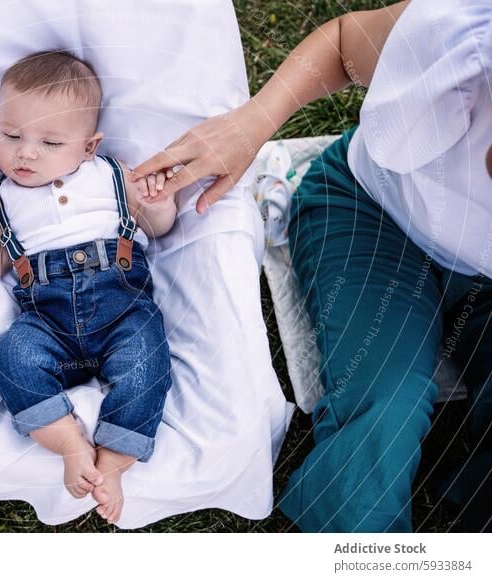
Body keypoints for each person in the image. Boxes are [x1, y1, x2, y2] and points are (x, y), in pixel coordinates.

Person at [132, 0, 492, 532]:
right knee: (387, 403)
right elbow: (348, 44)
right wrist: (252, 122)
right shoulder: (461, 31)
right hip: (377, 211)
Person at [0, 51, 176, 524]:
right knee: (13, 360)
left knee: (146, 365)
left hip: (123, 308)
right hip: (47, 320)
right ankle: (68, 442)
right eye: (10, 136)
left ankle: (114, 461)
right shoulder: (2, 198)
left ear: (88, 147)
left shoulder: (113, 177)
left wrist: (158, 203)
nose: (26, 152)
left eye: (50, 141)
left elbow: (158, 227)